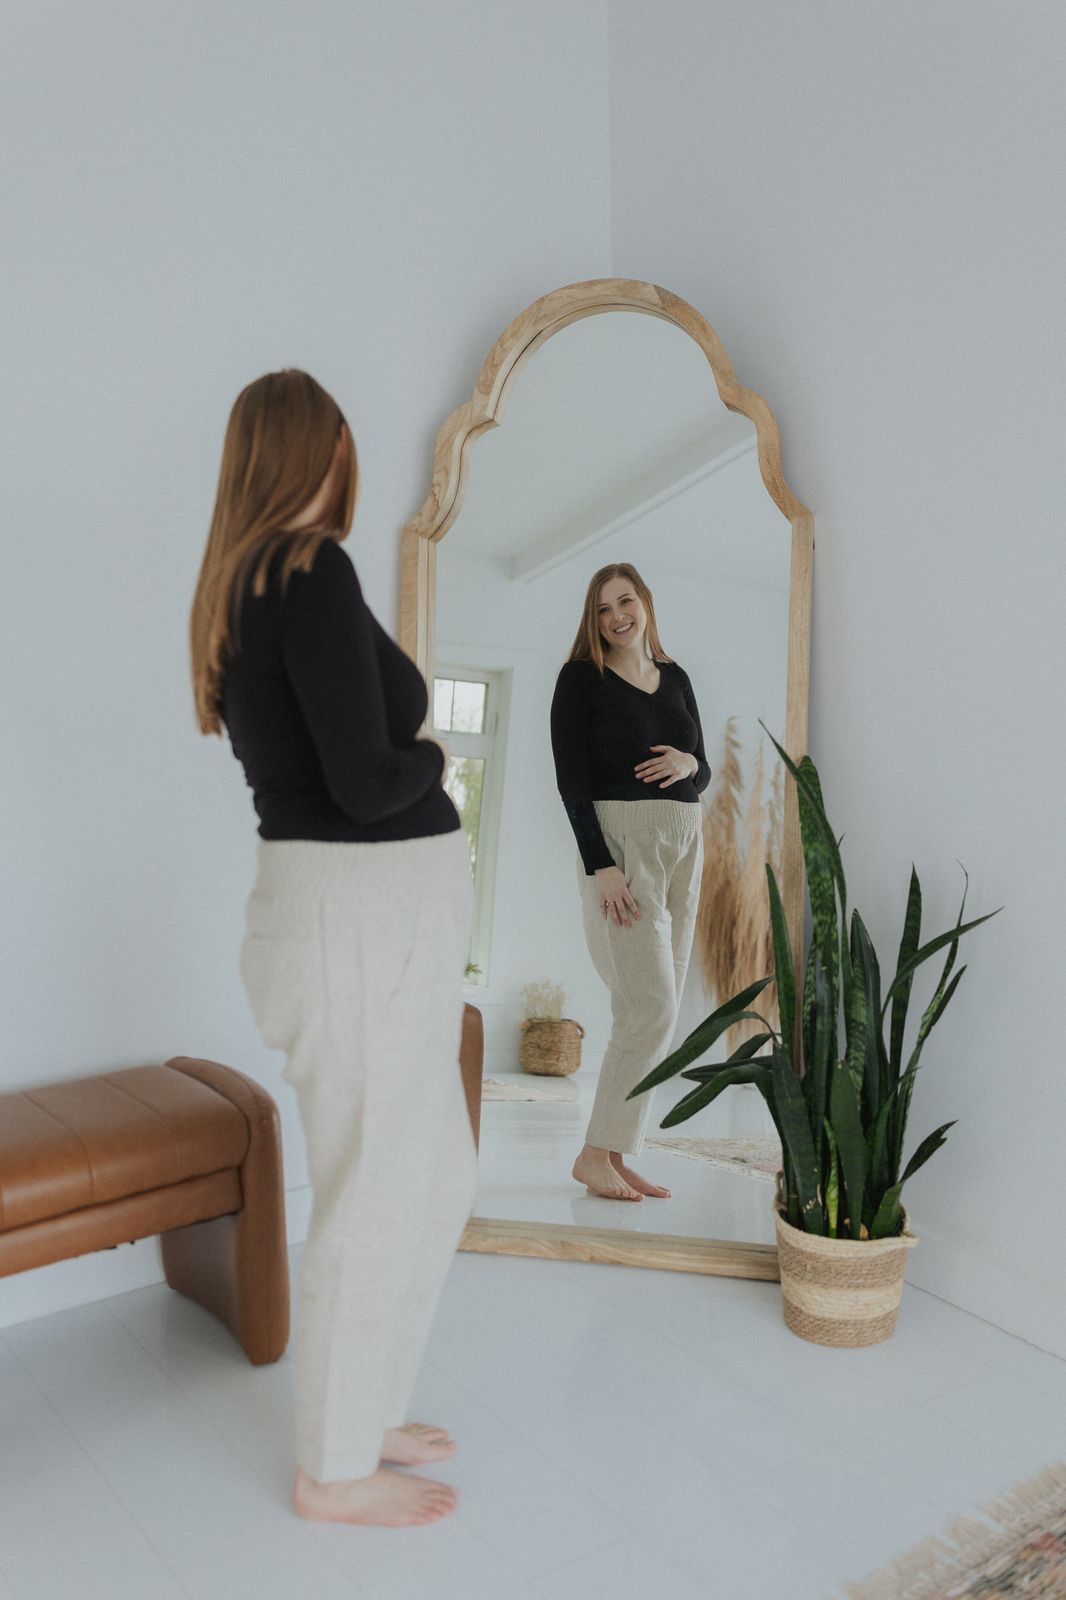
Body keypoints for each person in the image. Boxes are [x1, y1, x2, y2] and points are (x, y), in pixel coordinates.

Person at [189, 369, 476, 1527]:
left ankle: (366, 1410)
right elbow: (366, 781)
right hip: (357, 919)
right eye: (345, 447)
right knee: (374, 1186)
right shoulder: (310, 572)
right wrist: (439, 763)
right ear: (320, 450)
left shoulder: (250, 585)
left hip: (353, 918)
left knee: (435, 1170)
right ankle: (332, 1466)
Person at [550, 562, 711, 1202]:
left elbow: (697, 779)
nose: (617, 616)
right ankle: (594, 1154)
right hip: (625, 847)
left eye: (625, 601)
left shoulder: (676, 678)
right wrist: (603, 865)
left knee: (657, 1015)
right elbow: (570, 781)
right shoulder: (580, 680)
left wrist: (692, 761)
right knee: (650, 1006)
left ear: (645, 601)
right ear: (593, 622)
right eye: (603, 609)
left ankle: (615, 1153)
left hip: (685, 847)